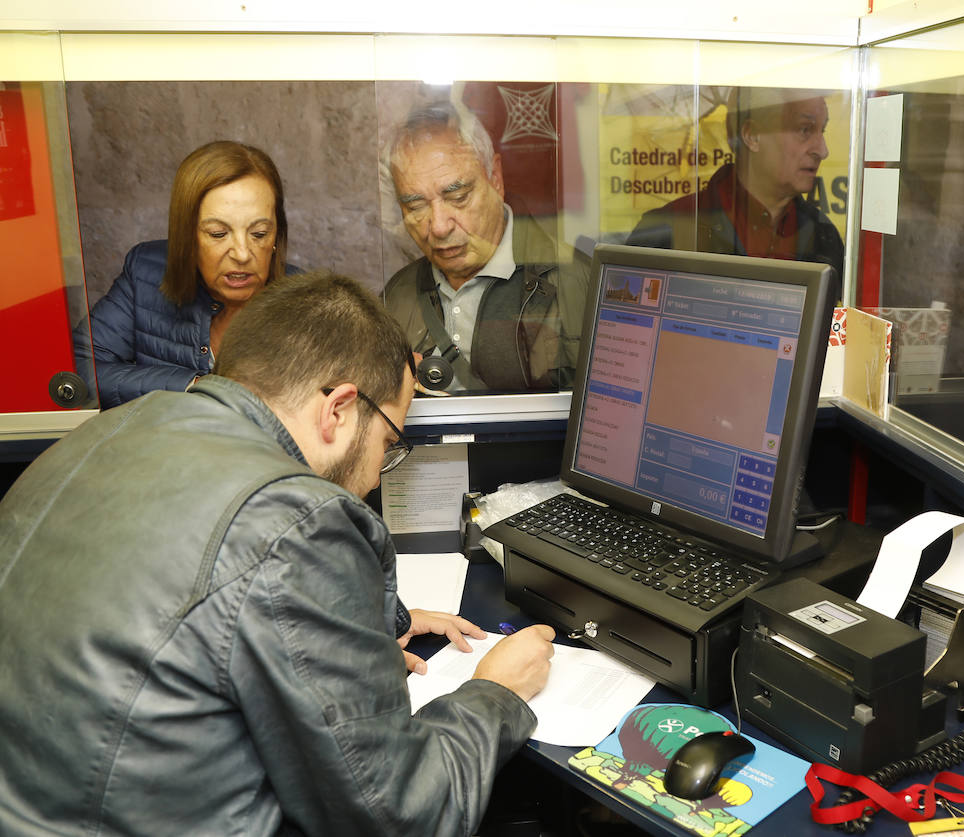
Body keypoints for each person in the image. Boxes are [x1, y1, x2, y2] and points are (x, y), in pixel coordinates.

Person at [0, 271, 556, 835]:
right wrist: (496, 694)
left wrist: (363, 625)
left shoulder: (104, 434)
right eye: (389, 442)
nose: (372, 478)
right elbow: (400, 814)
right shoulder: (300, 521)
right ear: (338, 409)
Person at [382, 102, 588, 393]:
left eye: (459, 197)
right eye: (415, 206)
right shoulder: (396, 298)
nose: (439, 226)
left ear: (495, 179)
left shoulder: (578, 283)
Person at [75, 140, 296, 408]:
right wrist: (191, 386)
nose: (242, 253)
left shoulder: (308, 301)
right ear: (187, 236)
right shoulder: (144, 272)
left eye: (259, 233)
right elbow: (78, 368)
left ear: (276, 236)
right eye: (218, 233)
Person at [626, 87, 844, 277]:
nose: (822, 151)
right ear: (752, 135)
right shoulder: (664, 232)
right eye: (805, 129)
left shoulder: (825, 238)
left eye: (822, 131)